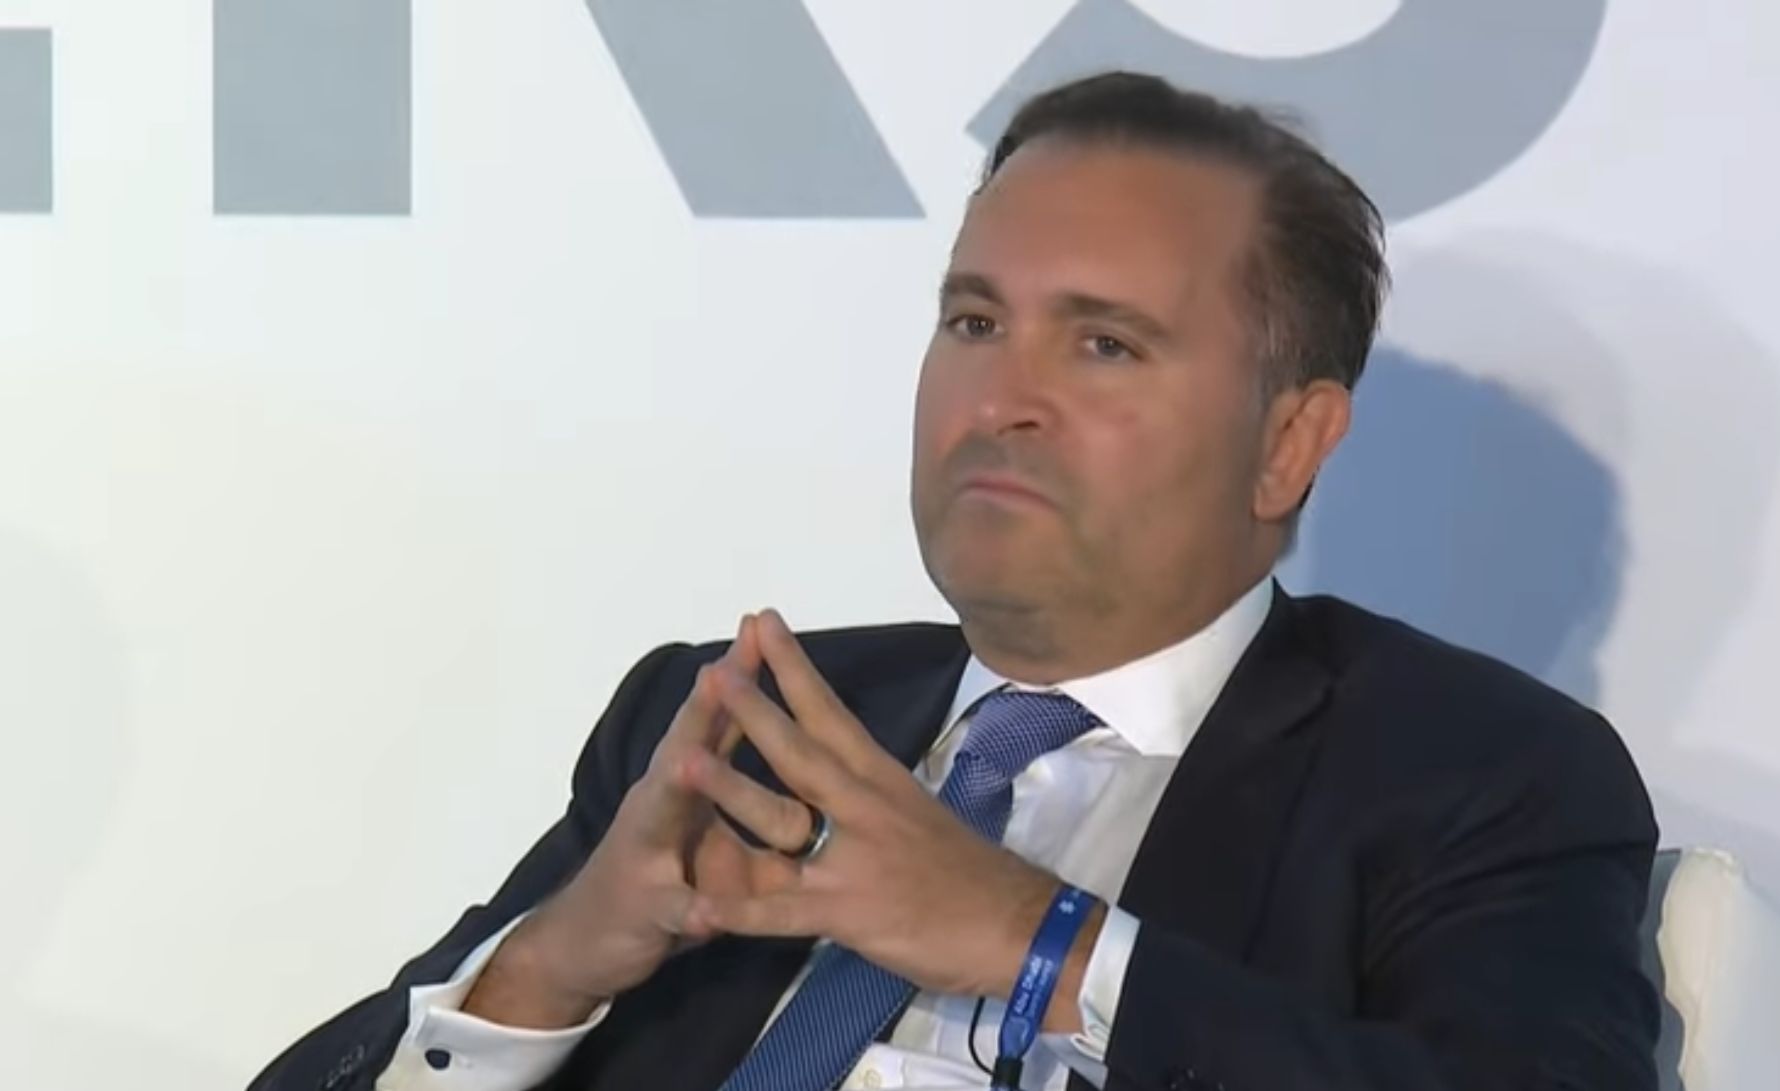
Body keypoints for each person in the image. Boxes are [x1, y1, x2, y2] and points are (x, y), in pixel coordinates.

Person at [249, 73, 1659, 1091]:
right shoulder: (746, 720)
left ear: (1289, 442)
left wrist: (1042, 946)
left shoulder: (1478, 777)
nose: (1000, 400)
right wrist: (552, 965)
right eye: (975, 322)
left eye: (1104, 345)